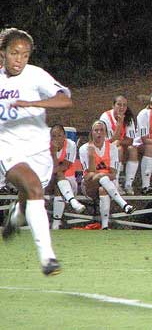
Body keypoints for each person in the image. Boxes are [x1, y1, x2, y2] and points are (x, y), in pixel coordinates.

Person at [0, 28, 72, 276]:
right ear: (3, 53)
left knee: (31, 193)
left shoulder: (35, 76)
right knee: (33, 187)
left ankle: (16, 216)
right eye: (14, 53)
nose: (19, 59)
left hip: (38, 149)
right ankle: (48, 258)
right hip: (7, 147)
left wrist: (33, 103)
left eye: (25, 55)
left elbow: (65, 100)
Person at [79, 120, 136, 230]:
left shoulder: (112, 148)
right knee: (101, 176)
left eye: (101, 130)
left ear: (105, 133)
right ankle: (124, 204)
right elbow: (88, 175)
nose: (99, 133)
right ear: (91, 133)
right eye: (96, 130)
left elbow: (114, 174)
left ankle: (105, 226)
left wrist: (102, 175)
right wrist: (91, 156)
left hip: (107, 184)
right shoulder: (84, 148)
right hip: (89, 185)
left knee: (103, 189)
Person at [99, 95, 139, 195]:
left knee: (132, 149)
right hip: (105, 150)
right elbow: (108, 141)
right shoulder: (105, 117)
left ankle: (128, 184)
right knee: (118, 148)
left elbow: (130, 140)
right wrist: (119, 124)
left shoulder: (128, 118)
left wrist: (120, 141)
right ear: (113, 105)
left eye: (124, 105)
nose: (122, 108)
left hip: (120, 146)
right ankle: (115, 182)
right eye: (119, 105)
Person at [49, 124, 86, 230]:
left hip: (68, 182)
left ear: (65, 136)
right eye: (54, 136)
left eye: (59, 135)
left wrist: (54, 158)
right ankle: (73, 202)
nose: (56, 139)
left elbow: (65, 166)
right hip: (48, 181)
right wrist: (53, 153)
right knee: (57, 176)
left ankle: (55, 225)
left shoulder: (71, 145)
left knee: (59, 177)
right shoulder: (45, 147)